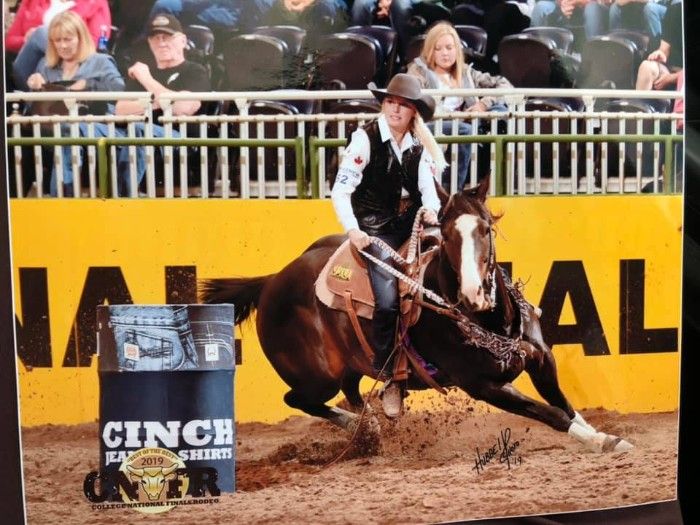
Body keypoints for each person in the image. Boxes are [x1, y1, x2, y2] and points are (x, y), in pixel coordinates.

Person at [330, 73, 445, 418]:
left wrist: (431, 210)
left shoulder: (418, 147)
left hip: (410, 228)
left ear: (413, 112)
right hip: (374, 232)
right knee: (388, 300)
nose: (395, 109)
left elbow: (429, 193)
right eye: (390, 102)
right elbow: (341, 191)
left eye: (403, 105)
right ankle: (389, 376)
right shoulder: (364, 140)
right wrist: (353, 230)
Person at [109, 13, 211, 195]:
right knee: (81, 129)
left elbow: (183, 108)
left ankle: (123, 200)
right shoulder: (141, 73)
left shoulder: (195, 71)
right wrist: (162, 101)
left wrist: (147, 80)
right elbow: (120, 110)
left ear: (182, 40)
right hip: (139, 136)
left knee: (138, 130)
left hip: (178, 139)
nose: (161, 43)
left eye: (167, 37)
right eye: (155, 38)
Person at [25, 10, 124, 196]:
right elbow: (33, 108)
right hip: (49, 129)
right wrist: (36, 88)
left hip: (91, 127)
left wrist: (89, 85)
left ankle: (61, 200)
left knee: (67, 133)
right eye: (57, 40)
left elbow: (119, 89)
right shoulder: (45, 66)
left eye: (68, 39)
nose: (63, 45)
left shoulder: (100, 61)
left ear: (81, 37)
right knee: (18, 135)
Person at [407, 21, 512, 191]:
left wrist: (483, 104)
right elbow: (414, 98)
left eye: (449, 48)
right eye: (438, 48)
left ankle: (498, 179)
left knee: (499, 111)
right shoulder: (418, 70)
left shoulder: (465, 72)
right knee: (465, 130)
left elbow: (504, 84)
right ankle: (452, 190)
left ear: (457, 49)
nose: (445, 53)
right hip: (432, 123)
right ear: (430, 50)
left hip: (466, 123)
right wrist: (459, 117)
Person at [9, 0, 112, 90]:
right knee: (39, 34)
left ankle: (59, 88)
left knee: (44, 56)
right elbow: (9, 41)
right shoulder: (32, 1)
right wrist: (26, 40)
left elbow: (96, 42)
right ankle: (62, 87)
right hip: (26, 72)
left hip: (74, 67)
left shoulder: (95, 3)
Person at [635, 0, 681, 91]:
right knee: (646, 66)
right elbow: (664, 48)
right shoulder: (676, 8)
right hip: (674, 70)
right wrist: (660, 53)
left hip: (681, 75)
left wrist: (672, 78)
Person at [530, 0, 609, 40]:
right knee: (541, 7)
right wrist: (563, 3)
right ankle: (538, 53)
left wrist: (580, 1)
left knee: (592, 9)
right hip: (565, 7)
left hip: (594, 6)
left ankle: (595, 55)